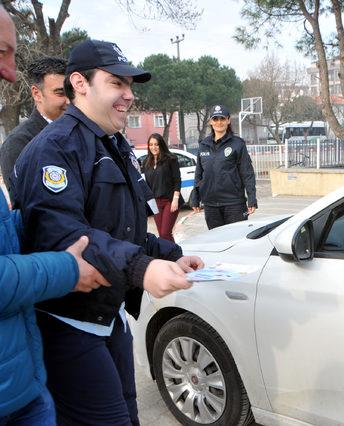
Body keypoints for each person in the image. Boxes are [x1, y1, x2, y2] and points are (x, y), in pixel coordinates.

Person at [12, 39, 204, 425]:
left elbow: (124, 228)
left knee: (129, 417)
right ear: (80, 83)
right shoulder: (55, 149)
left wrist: (168, 254)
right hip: (68, 324)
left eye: (131, 86)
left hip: (109, 316)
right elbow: (65, 235)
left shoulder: (114, 143)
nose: (129, 96)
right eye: (117, 83)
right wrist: (141, 269)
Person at [0, 6, 109, 424]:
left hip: (22, 377)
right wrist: (66, 267)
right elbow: (42, 227)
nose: (9, 71)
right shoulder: (28, 145)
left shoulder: (89, 140)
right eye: (1, 52)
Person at [1, 56, 68, 204]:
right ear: (37, 94)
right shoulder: (19, 143)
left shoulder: (83, 133)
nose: (69, 100)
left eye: (72, 92)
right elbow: (25, 206)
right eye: (60, 93)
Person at [191, 104, 258, 229]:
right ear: (211, 121)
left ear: (228, 120)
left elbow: (247, 173)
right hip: (210, 205)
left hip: (234, 204)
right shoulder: (203, 145)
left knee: (236, 242)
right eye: (215, 119)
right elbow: (199, 174)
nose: (219, 122)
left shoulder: (238, 144)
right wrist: (195, 197)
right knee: (217, 243)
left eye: (222, 118)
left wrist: (252, 198)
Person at [142, 133, 181, 241]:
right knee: (161, 234)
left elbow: (177, 180)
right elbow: (148, 184)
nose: (153, 147)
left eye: (156, 144)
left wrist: (175, 200)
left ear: (161, 145)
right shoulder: (146, 162)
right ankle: (169, 255)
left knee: (165, 233)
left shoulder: (171, 159)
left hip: (169, 200)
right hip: (155, 203)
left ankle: (175, 256)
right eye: (151, 145)